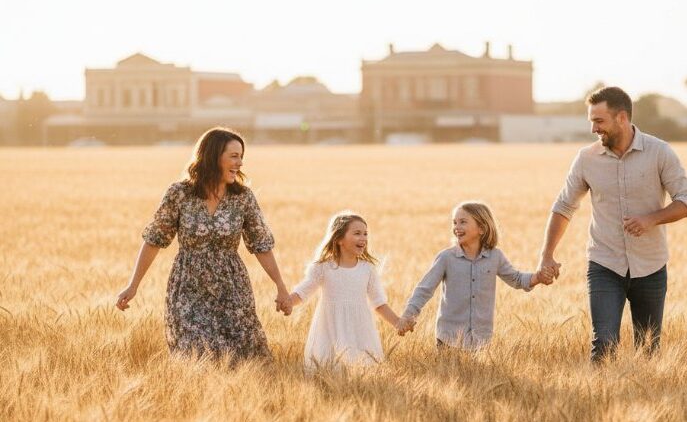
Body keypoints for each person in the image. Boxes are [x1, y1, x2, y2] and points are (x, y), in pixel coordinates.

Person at [538, 87, 687, 362]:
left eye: (599, 121)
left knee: (648, 350)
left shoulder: (659, 152)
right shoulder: (586, 159)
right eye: (591, 121)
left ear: (621, 118)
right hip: (604, 264)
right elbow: (564, 206)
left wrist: (651, 219)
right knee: (603, 345)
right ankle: (600, 400)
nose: (593, 129)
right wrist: (547, 255)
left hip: (650, 265)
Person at [116, 127, 292, 362]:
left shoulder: (243, 197)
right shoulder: (179, 193)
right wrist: (133, 285)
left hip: (232, 290)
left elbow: (261, 245)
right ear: (213, 156)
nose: (240, 163)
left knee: (241, 357)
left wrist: (280, 286)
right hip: (188, 288)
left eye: (241, 156)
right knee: (193, 353)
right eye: (234, 156)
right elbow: (154, 240)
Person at [399, 201, 554, 349]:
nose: (457, 227)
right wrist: (408, 315)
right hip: (448, 340)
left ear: (481, 228)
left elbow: (517, 279)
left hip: (481, 341)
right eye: (454, 222)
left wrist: (538, 277)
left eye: (463, 222)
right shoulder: (446, 258)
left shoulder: (495, 257)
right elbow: (424, 289)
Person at [289, 212, 401, 368]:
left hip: (359, 328)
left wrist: (398, 323)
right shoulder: (324, 267)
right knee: (329, 366)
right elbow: (304, 291)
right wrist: (288, 302)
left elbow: (379, 302)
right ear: (339, 239)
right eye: (357, 233)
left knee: (363, 366)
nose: (363, 238)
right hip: (330, 326)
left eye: (365, 234)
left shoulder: (367, 269)